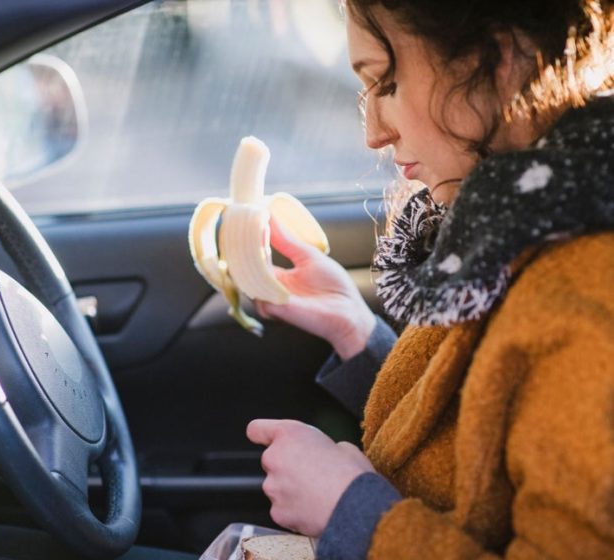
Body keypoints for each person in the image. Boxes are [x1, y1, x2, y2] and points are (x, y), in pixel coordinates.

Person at [246, 0, 614, 558]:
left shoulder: (586, 295)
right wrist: (357, 335)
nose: (373, 133)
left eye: (387, 84)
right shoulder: (513, 211)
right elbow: (474, 441)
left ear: (497, 58)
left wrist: (351, 512)